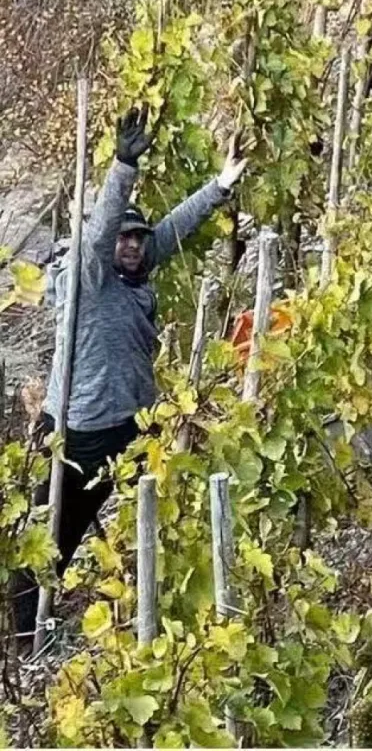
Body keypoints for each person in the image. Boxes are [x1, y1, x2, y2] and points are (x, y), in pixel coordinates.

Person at [11, 108, 247, 653]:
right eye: (126, 238)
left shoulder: (137, 269)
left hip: (134, 426)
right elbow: (98, 230)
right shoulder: (91, 277)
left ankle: (151, 607)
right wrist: (122, 166)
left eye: (139, 238)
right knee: (51, 538)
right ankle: (25, 636)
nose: (135, 244)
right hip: (77, 430)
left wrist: (220, 186)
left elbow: (176, 225)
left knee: (156, 516)